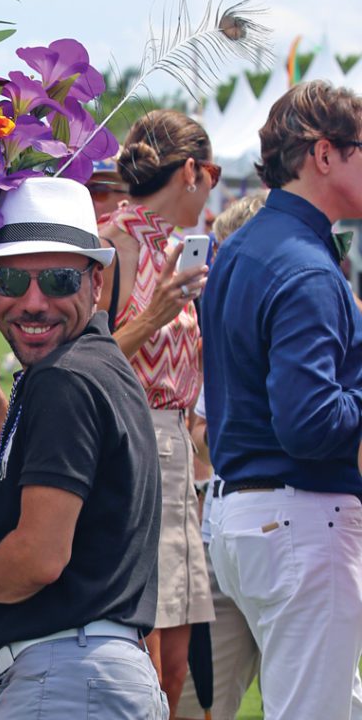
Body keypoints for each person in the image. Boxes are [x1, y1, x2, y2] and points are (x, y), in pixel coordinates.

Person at [0, 176, 165, 719]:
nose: (32, 302)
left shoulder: (63, 380)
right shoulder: (93, 367)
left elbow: (38, 557)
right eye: (10, 279)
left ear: (95, 283)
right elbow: (36, 479)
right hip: (94, 676)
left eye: (57, 279)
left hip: (71, 680)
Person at [202, 80, 362, 720]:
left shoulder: (246, 242)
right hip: (298, 515)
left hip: (253, 517)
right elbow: (311, 423)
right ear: (324, 155)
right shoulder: (304, 263)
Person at [96, 110, 217, 714]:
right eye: (212, 171)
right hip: (131, 449)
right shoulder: (110, 245)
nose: (213, 185)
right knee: (141, 664)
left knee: (175, 672)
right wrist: (154, 317)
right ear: (190, 170)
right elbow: (80, 367)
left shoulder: (177, 251)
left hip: (174, 453)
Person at [175, 194, 266, 720]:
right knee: (196, 704)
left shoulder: (318, 314)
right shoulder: (210, 331)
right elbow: (202, 432)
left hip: (297, 536)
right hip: (219, 536)